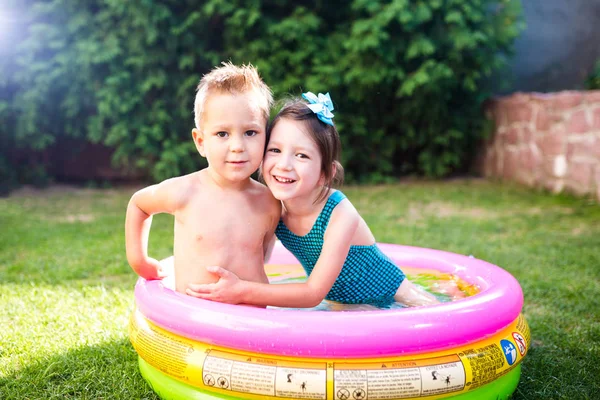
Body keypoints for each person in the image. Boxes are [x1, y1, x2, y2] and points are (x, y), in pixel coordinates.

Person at [185, 91, 440, 307]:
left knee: (435, 316)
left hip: (394, 294)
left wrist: (242, 291)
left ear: (325, 174)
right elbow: (258, 258)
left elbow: (312, 293)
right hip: (340, 303)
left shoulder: (339, 213)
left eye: (302, 156)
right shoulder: (274, 207)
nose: (284, 165)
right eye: (275, 150)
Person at [125, 62, 281, 294]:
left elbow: (265, 254)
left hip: (253, 321)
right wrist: (140, 261)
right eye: (222, 134)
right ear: (200, 142)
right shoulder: (186, 191)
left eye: (250, 132)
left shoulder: (270, 201)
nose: (237, 146)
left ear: (266, 136)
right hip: (198, 317)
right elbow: (139, 204)